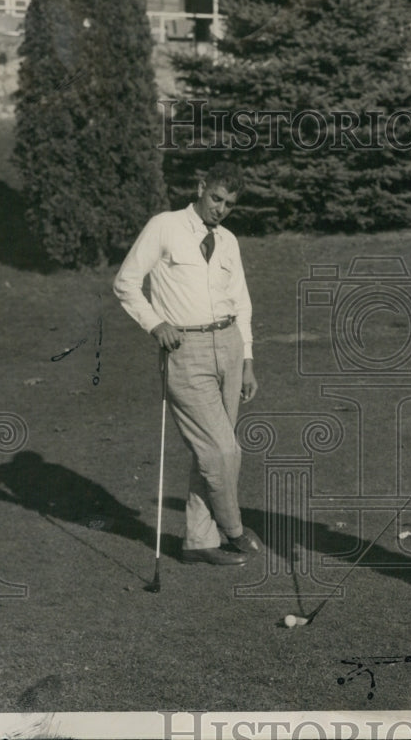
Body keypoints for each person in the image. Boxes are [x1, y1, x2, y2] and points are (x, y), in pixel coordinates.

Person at [114, 162, 262, 566]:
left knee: (209, 450)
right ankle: (233, 529)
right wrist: (154, 324)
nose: (221, 208)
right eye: (216, 198)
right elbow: (125, 282)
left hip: (229, 345)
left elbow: (242, 302)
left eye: (229, 204)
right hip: (185, 349)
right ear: (200, 189)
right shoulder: (164, 226)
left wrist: (247, 359)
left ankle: (199, 541)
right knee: (221, 451)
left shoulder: (228, 240)